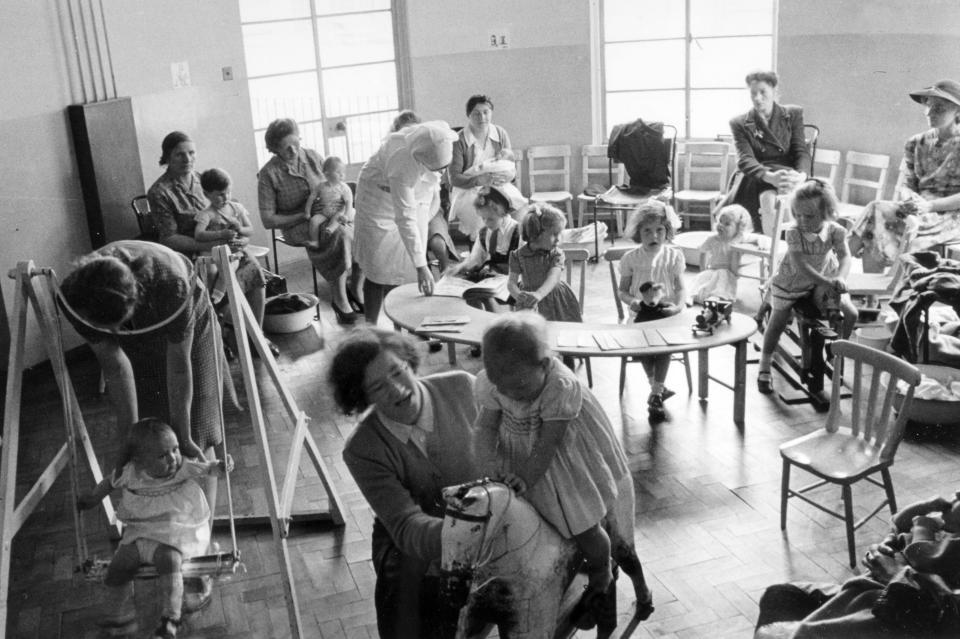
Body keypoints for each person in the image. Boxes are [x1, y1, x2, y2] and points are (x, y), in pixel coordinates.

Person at [472, 312, 650, 607]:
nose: (509, 396)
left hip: (562, 458)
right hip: (518, 448)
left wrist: (526, 478)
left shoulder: (559, 387)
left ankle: (600, 568)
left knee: (583, 524)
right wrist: (488, 462)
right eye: (500, 387)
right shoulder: (499, 383)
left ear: (543, 366)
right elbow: (484, 426)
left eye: (517, 388)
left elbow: (547, 445)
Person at [333, 329, 478, 639]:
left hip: (487, 515)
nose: (397, 390)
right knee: (407, 602)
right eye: (377, 387)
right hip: (410, 541)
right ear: (363, 398)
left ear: (411, 364)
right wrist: (468, 536)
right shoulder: (361, 449)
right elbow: (405, 524)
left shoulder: (463, 388)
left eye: (398, 372)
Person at [78, 418, 231, 639]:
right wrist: (92, 498)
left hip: (172, 535)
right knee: (120, 563)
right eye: (163, 455)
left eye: (175, 449)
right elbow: (108, 484)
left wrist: (221, 466)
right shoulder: (130, 473)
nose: (173, 458)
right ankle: (116, 616)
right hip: (139, 534)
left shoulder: (182, 468)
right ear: (139, 461)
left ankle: (171, 618)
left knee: (170, 562)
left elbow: (209, 468)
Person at [755, 491, 960, 638]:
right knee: (781, 594)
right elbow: (898, 526)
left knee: (792, 630)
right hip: (891, 593)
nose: (957, 493)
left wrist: (895, 571)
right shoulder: (948, 533)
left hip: (903, 611)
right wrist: (923, 509)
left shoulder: (950, 546)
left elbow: (920, 556)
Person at [147, 131, 267, 326]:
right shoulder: (160, 192)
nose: (188, 159)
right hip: (191, 253)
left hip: (225, 246)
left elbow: (231, 211)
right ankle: (223, 336)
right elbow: (169, 238)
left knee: (254, 269)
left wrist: (242, 238)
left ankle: (257, 337)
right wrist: (214, 243)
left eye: (191, 153)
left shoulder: (204, 179)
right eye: (180, 154)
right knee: (211, 280)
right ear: (167, 157)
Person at [757, 179, 858, 395]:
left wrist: (840, 277)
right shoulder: (794, 232)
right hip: (793, 280)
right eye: (797, 214)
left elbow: (845, 256)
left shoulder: (836, 231)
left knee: (850, 313)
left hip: (823, 276)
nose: (802, 220)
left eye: (809, 216)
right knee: (778, 319)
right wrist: (826, 282)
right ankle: (764, 363)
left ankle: (836, 348)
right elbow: (801, 265)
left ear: (827, 213)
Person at [353, 120, 459, 324]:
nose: (443, 173)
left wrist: (419, 264)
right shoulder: (402, 162)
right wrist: (422, 266)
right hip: (377, 204)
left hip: (414, 198)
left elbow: (427, 194)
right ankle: (371, 327)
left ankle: (413, 325)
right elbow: (405, 217)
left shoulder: (437, 136)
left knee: (410, 268)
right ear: (420, 159)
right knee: (378, 269)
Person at [848, 79, 960, 272]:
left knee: (877, 218)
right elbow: (907, 184)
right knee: (876, 215)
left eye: (939, 108)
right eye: (928, 106)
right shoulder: (915, 142)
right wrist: (911, 200)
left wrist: (929, 206)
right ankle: (861, 287)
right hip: (918, 208)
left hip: (950, 215)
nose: (930, 113)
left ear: (957, 111)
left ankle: (835, 269)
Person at [256, 118, 361, 324]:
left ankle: (356, 288)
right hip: (298, 224)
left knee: (362, 227)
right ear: (274, 149)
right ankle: (339, 299)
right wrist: (303, 214)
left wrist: (341, 207)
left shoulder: (312, 156)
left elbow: (335, 183)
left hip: (331, 213)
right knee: (339, 234)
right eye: (287, 148)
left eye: (296, 144)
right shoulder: (268, 174)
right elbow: (268, 220)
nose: (294, 152)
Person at [617, 200, 687, 417]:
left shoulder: (673, 256)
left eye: (659, 230)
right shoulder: (631, 258)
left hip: (666, 313)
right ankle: (656, 388)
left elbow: (681, 289)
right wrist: (632, 302)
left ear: (668, 232)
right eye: (647, 231)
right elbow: (623, 291)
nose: (654, 236)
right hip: (640, 313)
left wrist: (677, 308)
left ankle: (656, 391)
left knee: (664, 344)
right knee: (644, 343)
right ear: (638, 233)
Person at [724, 70, 810, 234]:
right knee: (768, 200)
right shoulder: (739, 123)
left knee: (789, 196)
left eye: (763, 92)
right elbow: (745, 159)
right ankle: (772, 250)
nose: (757, 98)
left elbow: (801, 151)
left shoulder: (793, 114)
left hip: (789, 175)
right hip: (758, 176)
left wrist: (801, 176)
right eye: (753, 93)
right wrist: (770, 177)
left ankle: (791, 249)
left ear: (774, 91)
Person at [448, 94, 524, 239]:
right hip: (467, 188)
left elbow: (509, 166)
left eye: (485, 112)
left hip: (498, 184)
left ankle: (507, 249)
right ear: (468, 115)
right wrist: (479, 180)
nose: (482, 117)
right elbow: (454, 179)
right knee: (482, 211)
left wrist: (508, 176)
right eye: (476, 114)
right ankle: (481, 251)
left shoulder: (500, 133)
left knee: (518, 207)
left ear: (491, 113)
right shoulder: (459, 141)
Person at [446, 184, 521, 317]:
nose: (486, 222)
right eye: (483, 218)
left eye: (490, 219)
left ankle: (496, 318)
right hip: (493, 275)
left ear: (503, 213)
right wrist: (459, 267)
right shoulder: (484, 232)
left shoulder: (517, 231)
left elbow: (525, 262)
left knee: (487, 291)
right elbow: (476, 258)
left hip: (514, 276)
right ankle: (481, 317)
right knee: (471, 289)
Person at [193, 168, 258, 305]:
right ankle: (209, 298)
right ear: (207, 194)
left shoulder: (236, 208)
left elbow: (250, 230)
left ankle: (217, 297)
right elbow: (198, 235)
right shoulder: (207, 214)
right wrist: (220, 234)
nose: (226, 197)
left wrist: (239, 228)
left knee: (230, 266)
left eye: (228, 192)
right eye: (220, 194)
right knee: (211, 270)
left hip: (232, 251)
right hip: (211, 251)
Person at [691, 204, 755, 303]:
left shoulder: (739, 238)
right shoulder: (713, 239)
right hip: (713, 268)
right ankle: (693, 296)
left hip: (729, 272)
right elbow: (703, 252)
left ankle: (717, 296)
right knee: (701, 279)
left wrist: (761, 243)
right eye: (720, 221)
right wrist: (702, 269)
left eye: (727, 224)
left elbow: (755, 238)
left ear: (738, 228)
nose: (721, 225)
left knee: (722, 278)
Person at [301, 156, 354, 253]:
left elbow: (348, 202)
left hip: (338, 211)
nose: (342, 175)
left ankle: (331, 228)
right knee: (313, 221)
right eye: (338, 172)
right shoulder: (321, 186)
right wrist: (307, 212)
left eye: (343, 172)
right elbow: (311, 199)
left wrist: (346, 215)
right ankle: (315, 241)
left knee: (339, 216)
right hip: (324, 212)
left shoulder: (344, 188)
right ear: (327, 174)